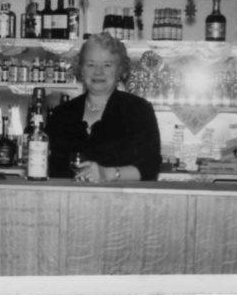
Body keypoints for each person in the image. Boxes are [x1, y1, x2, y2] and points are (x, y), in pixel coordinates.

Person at [46, 32, 161, 182]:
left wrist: (108, 174)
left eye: (107, 65)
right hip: (67, 201)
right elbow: (48, 166)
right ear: (80, 69)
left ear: (120, 69)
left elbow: (149, 168)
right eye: (91, 64)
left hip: (120, 202)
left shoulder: (138, 110)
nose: (98, 72)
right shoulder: (61, 114)